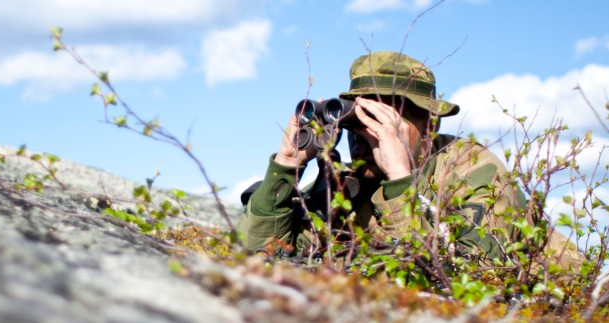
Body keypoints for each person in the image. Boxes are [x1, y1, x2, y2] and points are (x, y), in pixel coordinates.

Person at [237, 51, 584, 272]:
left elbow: (473, 272)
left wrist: (401, 177)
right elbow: (265, 251)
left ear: (429, 128)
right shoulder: (351, 180)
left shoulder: (474, 169)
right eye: (360, 120)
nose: (368, 135)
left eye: (384, 120)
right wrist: (286, 166)